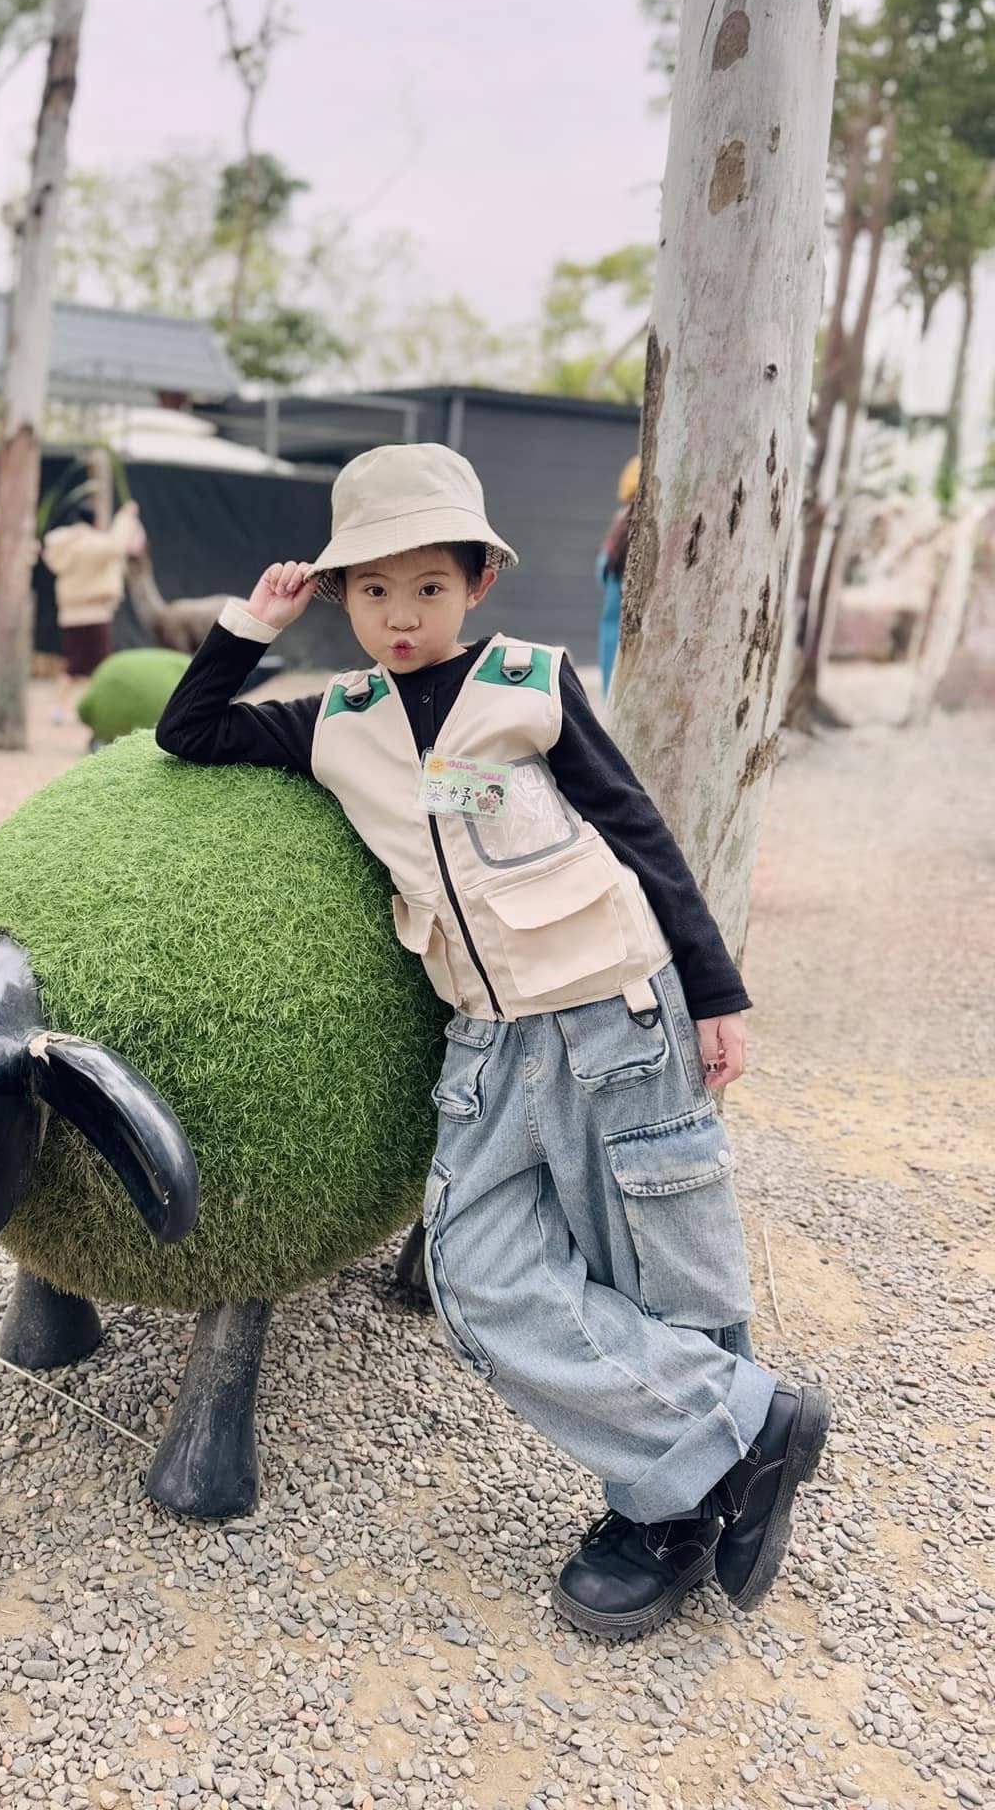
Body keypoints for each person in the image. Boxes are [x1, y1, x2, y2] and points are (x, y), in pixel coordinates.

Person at [155, 442, 829, 1640]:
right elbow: (188, 729)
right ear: (340, 596)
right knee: (472, 1274)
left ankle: (661, 1518)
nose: (399, 614)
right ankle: (744, 1420)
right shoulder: (336, 721)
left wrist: (715, 993)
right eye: (371, 589)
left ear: (475, 584)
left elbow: (638, 831)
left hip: (615, 1007)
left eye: (427, 586)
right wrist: (252, 622)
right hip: (486, 1040)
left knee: (658, 1263)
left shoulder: (532, 681)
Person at [42, 499, 145, 724]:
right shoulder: (94, 545)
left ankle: (59, 708)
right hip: (95, 613)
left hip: (69, 614)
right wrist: (126, 516)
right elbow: (115, 546)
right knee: (99, 667)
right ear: (95, 521)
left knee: (71, 665)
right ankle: (94, 709)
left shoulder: (62, 544)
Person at [597, 455, 640, 696]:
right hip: (631, 644)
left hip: (612, 641)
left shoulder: (617, 532)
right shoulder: (639, 530)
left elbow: (601, 574)